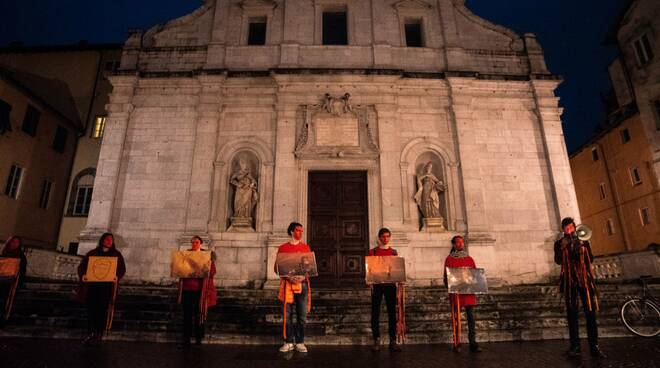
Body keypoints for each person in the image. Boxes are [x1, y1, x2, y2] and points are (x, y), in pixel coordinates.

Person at [554, 217, 604, 358]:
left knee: (590, 314)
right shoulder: (559, 243)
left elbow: (591, 259)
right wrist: (562, 248)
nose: (569, 230)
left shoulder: (583, 241)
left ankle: (594, 346)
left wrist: (583, 247)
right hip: (570, 282)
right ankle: (575, 346)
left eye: (571, 227)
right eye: (566, 228)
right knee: (572, 315)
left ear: (575, 228)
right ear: (563, 229)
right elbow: (558, 261)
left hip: (585, 281)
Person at [76, 232, 126, 346]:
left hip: (106, 288)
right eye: (107, 239)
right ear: (102, 241)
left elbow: (122, 269)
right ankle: (91, 332)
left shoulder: (116, 255)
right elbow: (82, 267)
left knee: (102, 311)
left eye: (111, 240)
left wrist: (116, 277)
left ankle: (99, 332)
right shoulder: (92, 253)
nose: (109, 241)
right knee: (91, 310)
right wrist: (83, 275)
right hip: (93, 287)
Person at [276, 222, 311, 353]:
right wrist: (287, 277)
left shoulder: (305, 248)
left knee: (302, 315)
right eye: (298, 230)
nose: (300, 233)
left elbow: (309, 268)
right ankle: (289, 341)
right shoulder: (283, 248)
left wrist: (303, 277)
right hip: (287, 285)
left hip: (302, 285)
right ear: (291, 231)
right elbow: (277, 268)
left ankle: (300, 341)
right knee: (287, 315)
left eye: (302, 231)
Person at [177, 235, 217, 348]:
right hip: (187, 289)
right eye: (193, 242)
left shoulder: (206, 255)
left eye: (196, 242)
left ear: (200, 243)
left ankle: (199, 338)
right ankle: (186, 338)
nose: (194, 244)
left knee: (199, 314)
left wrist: (207, 268)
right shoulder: (186, 254)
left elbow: (213, 272)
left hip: (200, 291)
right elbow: (179, 269)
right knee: (187, 315)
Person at [443, 235, 481, 353]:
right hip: (456, 293)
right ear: (454, 245)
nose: (460, 244)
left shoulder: (469, 259)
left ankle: (473, 342)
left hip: (468, 292)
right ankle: (457, 342)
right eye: (458, 242)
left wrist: (475, 285)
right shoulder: (449, 259)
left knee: (471, 317)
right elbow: (446, 277)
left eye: (461, 242)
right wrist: (451, 287)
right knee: (456, 317)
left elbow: (474, 275)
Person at [368, 228, 403, 352]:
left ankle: (392, 340)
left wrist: (399, 281)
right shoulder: (373, 252)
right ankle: (376, 339)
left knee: (392, 314)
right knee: (375, 313)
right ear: (379, 238)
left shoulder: (393, 252)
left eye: (388, 236)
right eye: (383, 236)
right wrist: (370, 282)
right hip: (377, 285)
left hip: (390, 285)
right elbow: (370, 270)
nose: (385, 239)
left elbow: (396, 269)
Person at [0, 236, 27, 326]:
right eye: (12, 242)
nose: (14, 244)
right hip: (1, 282)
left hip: (12, 284)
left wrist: (18, 282)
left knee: (7, 303)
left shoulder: (21, 256)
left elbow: (22, 271)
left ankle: (4, 320)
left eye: (16, 242)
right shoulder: (3, 253)